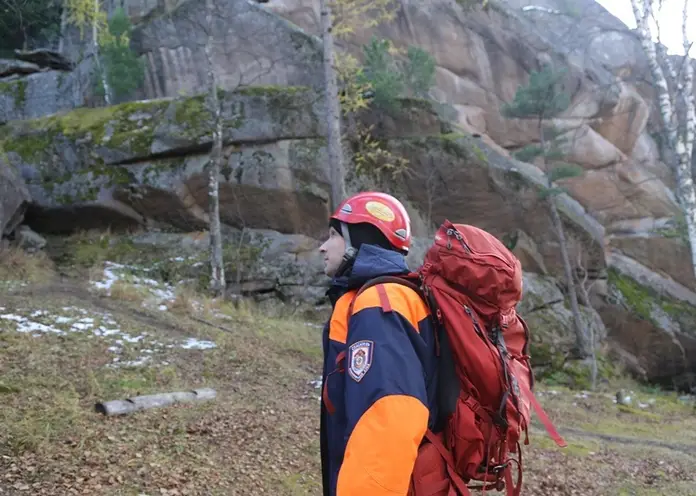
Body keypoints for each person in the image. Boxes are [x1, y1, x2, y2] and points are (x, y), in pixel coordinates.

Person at [318, 192, 440, 496]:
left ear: (361, 239)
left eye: (334, 235)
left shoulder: (380, 303)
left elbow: (389, 416)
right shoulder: (385, 297)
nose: (323, 246)